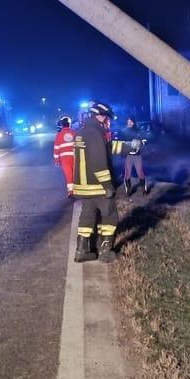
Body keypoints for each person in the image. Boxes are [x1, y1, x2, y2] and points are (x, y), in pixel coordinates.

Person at [72, 102, 127, 263]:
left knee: (87, 217)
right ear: (101, 116)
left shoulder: (82, 132)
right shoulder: (96, 133)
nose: (109, 122)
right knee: (110, 216)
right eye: (107, 118)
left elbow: (106, 148)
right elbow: (98, 161)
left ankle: (82, 251)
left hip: (84, 186)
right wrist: (107, 185)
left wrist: (128, 147)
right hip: (97, 186)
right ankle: (105, 252)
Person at [120, 117, 151, 196]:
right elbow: (120, 143)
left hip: (137, 155)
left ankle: (144, 190)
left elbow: (146, 140)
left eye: (131, 122)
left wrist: (140, 142)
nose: (129, 123)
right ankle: (129, 191)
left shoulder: (138, 131)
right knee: (127, 174)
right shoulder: (123, 132)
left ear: (134, 122)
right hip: (128, 155)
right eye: (128, 122)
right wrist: (123, 151)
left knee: (140, 172)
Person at [53, 115, 76, 197]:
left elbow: (56, 148)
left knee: (68, 174)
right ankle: (78, 189)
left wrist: (56, 160)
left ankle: (71, 191)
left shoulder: (59, 135)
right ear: (70, 124)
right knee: (75, 173)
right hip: (75, 157)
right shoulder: (74, 132)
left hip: (64, 159)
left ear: (62, 125)